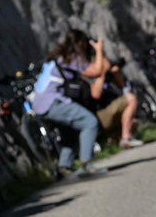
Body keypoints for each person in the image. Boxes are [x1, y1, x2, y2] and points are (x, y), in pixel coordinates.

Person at [29, 30, 107, 177]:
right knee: (89, 122)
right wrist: (99, 50)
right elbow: (96, 71)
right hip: (52, 102)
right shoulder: (70, 58)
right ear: (81, 43)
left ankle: (64, 166)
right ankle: (86, 165)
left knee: (70, 131)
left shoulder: (59, 57)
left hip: (40, 104)